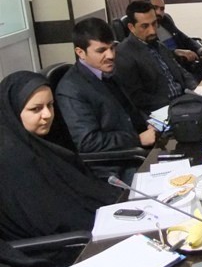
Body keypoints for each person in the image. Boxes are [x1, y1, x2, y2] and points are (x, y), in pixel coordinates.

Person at [0, 71, 120, 242]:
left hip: (87, 227)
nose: (47, 115)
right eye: (36, 109)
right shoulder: (13, 159)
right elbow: (50, 222)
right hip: (64, 245)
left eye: (50, 105)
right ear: (12, 111)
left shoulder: (45, 139)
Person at [56, 18, 157, 154]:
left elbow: (128, 111)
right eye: (101, 50)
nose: (110, 55)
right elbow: (88, 142)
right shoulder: (71, 89)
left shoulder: (108, 70)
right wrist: (137, 139)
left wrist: (149, 124)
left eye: (112, 48)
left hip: (140, 145)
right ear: (80, 53)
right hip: (121, 159)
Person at [114, 0, 198, 114]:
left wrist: (196, 90)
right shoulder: (124, 54)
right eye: (145, 26)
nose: (152, 31)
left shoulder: (158, 45)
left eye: (154, 23)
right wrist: (176, 104)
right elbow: (137, 98)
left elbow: (181, 72)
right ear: (131, 27)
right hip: (163, 111)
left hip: (184, 101)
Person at [145, 0, 202, 78]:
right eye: (155, 8)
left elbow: (184, 38)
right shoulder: (145, 30)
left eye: (162, 9)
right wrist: (175, 52)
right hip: (172, 68)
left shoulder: (166, 19)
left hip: (187, 62)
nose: (159, 12)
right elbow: (154, 53)